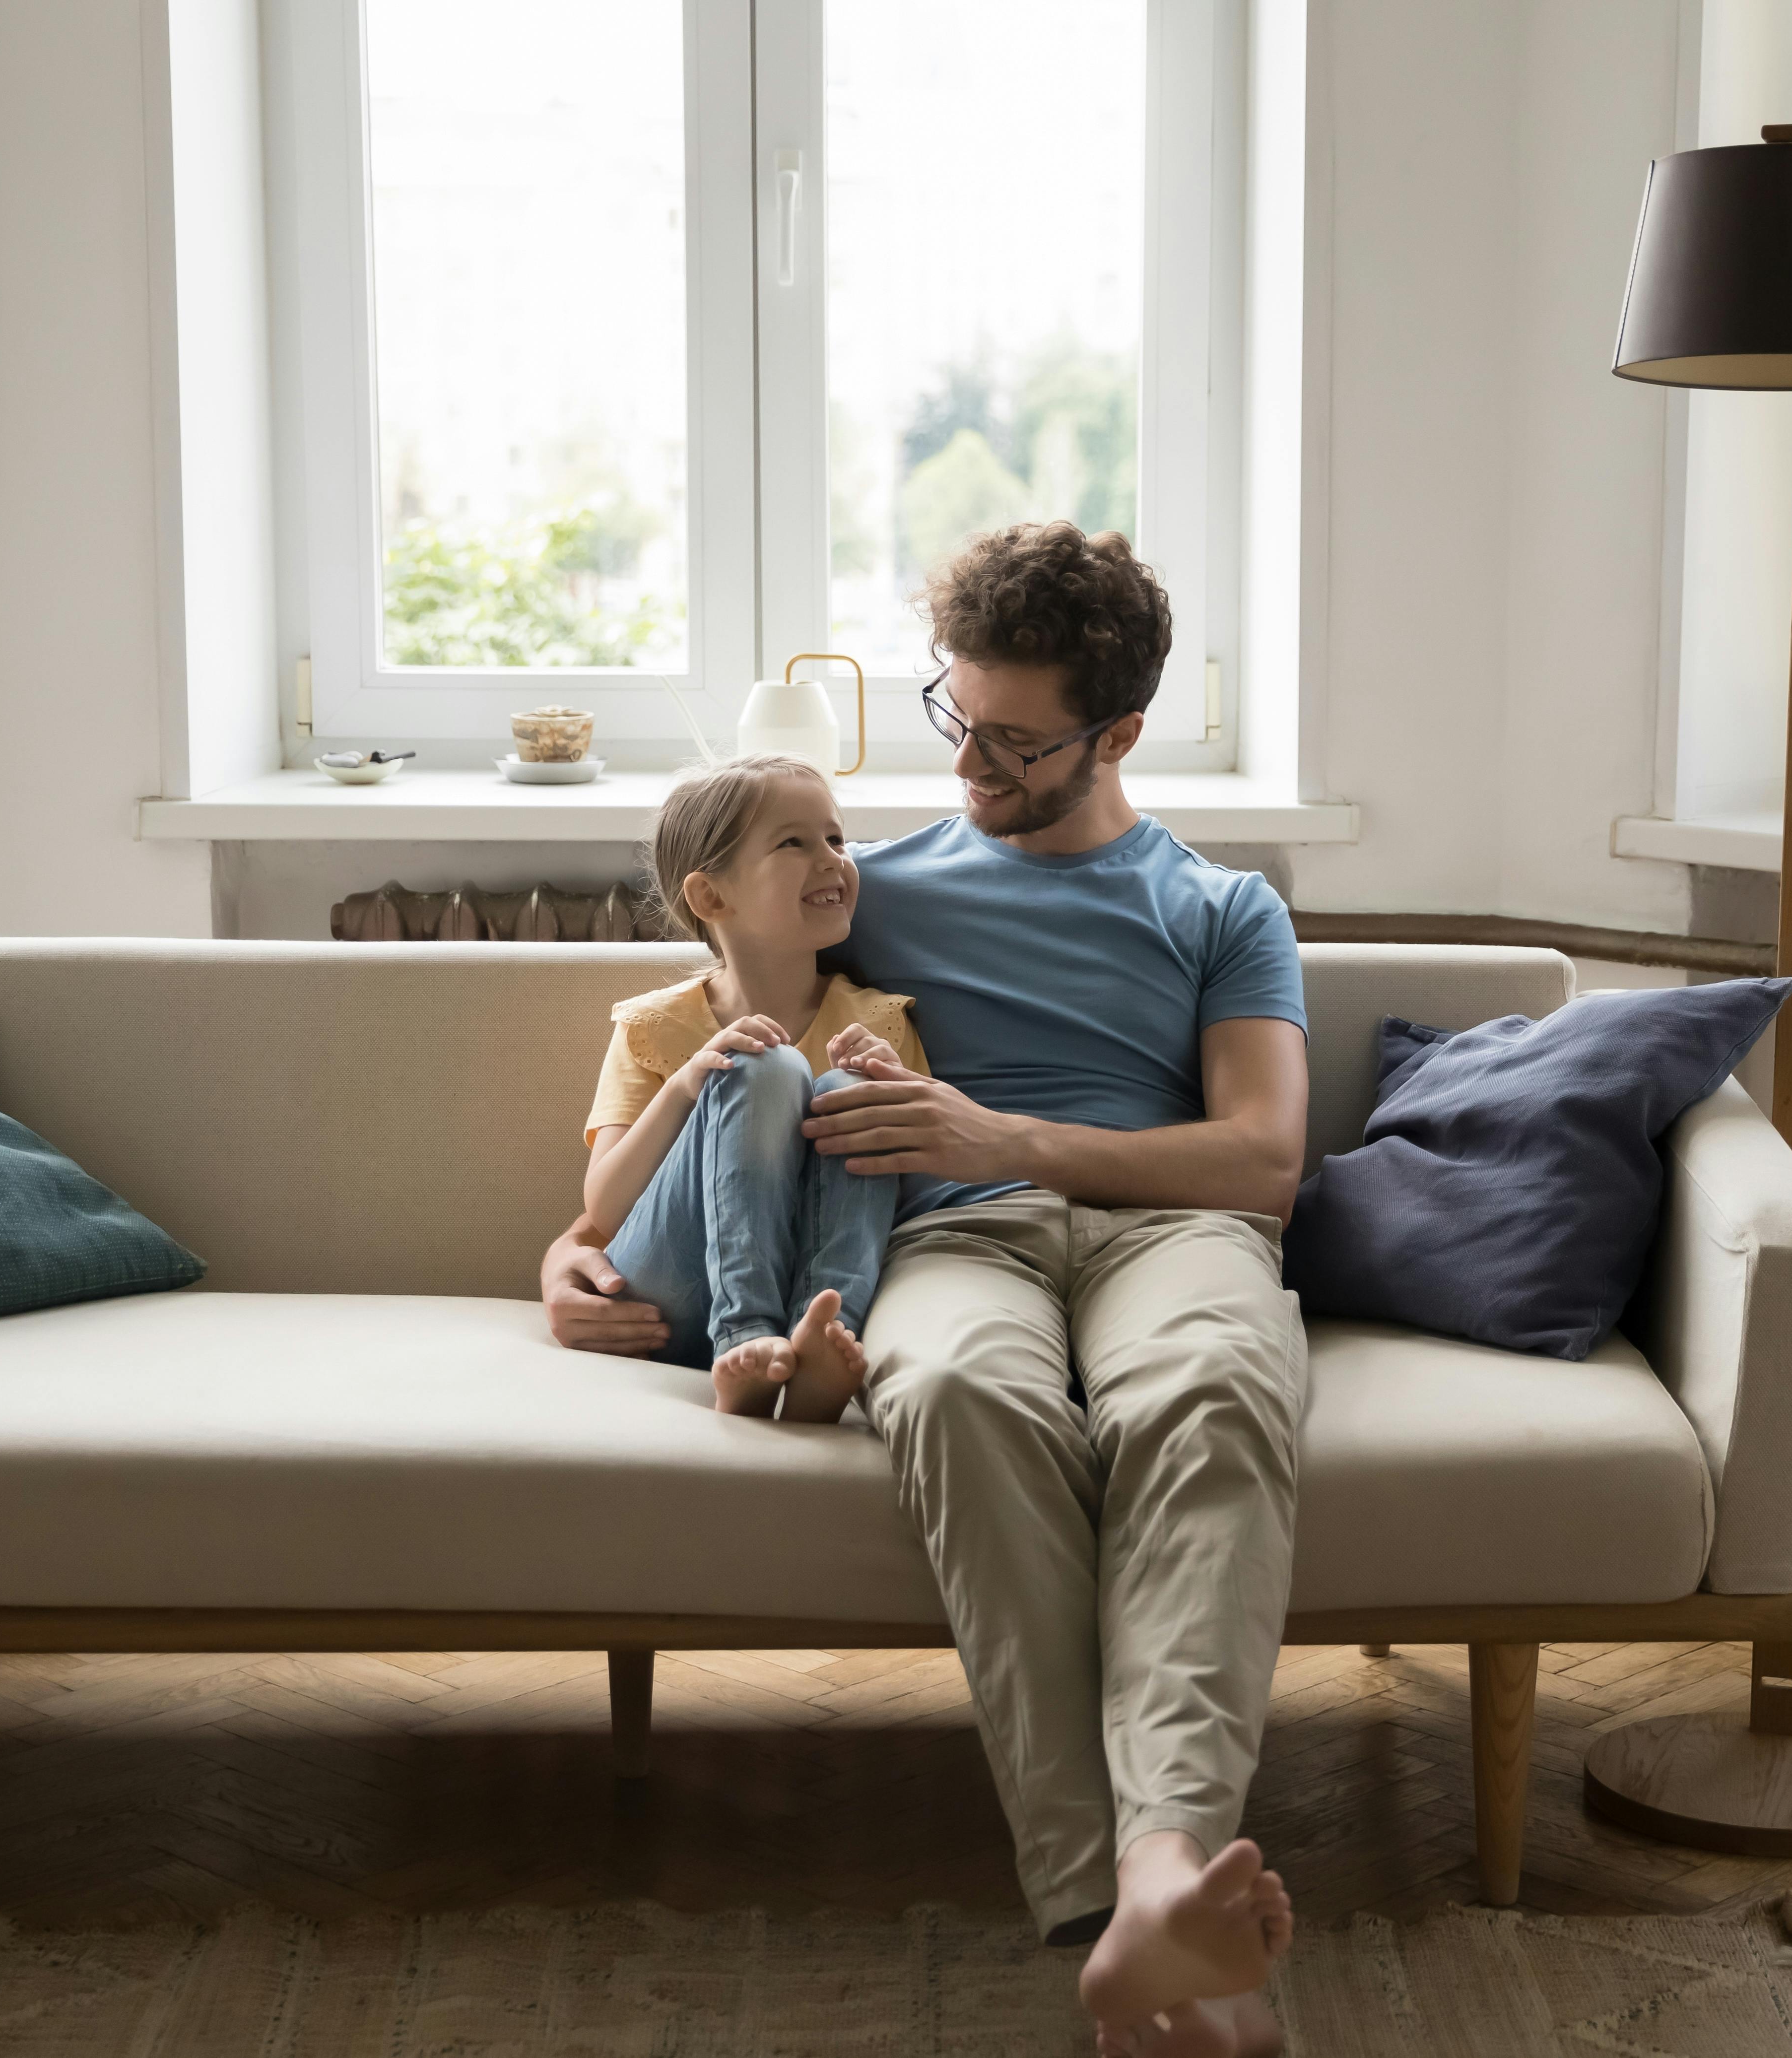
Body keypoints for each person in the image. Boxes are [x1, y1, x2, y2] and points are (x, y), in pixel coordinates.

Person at [545, 524, 1306, 2058]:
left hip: (1171, 1235)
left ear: (1121, 735)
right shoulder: (862, 891)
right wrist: (574, 1251)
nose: (968, 759)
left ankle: (1159, 1868)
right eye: (955, 715)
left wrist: (1002, 1133)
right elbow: (702, 1028)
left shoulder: (1225, 910)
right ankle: (1124, 1919)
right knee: (952, 1389)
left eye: (1015, 741)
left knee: (1210, 1394)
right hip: (950, 1241)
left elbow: (1264, 1159)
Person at [582, 754, 927, 1422]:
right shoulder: (654, 1026)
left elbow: (920, 1192)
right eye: (794, 843)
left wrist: (894, 1086)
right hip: (670, 1291)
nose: (832, 859)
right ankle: (744, 1335)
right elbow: (606, 1206)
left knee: (853, 1083)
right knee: (762, 1065)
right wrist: (689, 1083)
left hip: (815, 1274)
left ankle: (821, 1336)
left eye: (834, 838)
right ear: (711, 897)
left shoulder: (881, 1020)